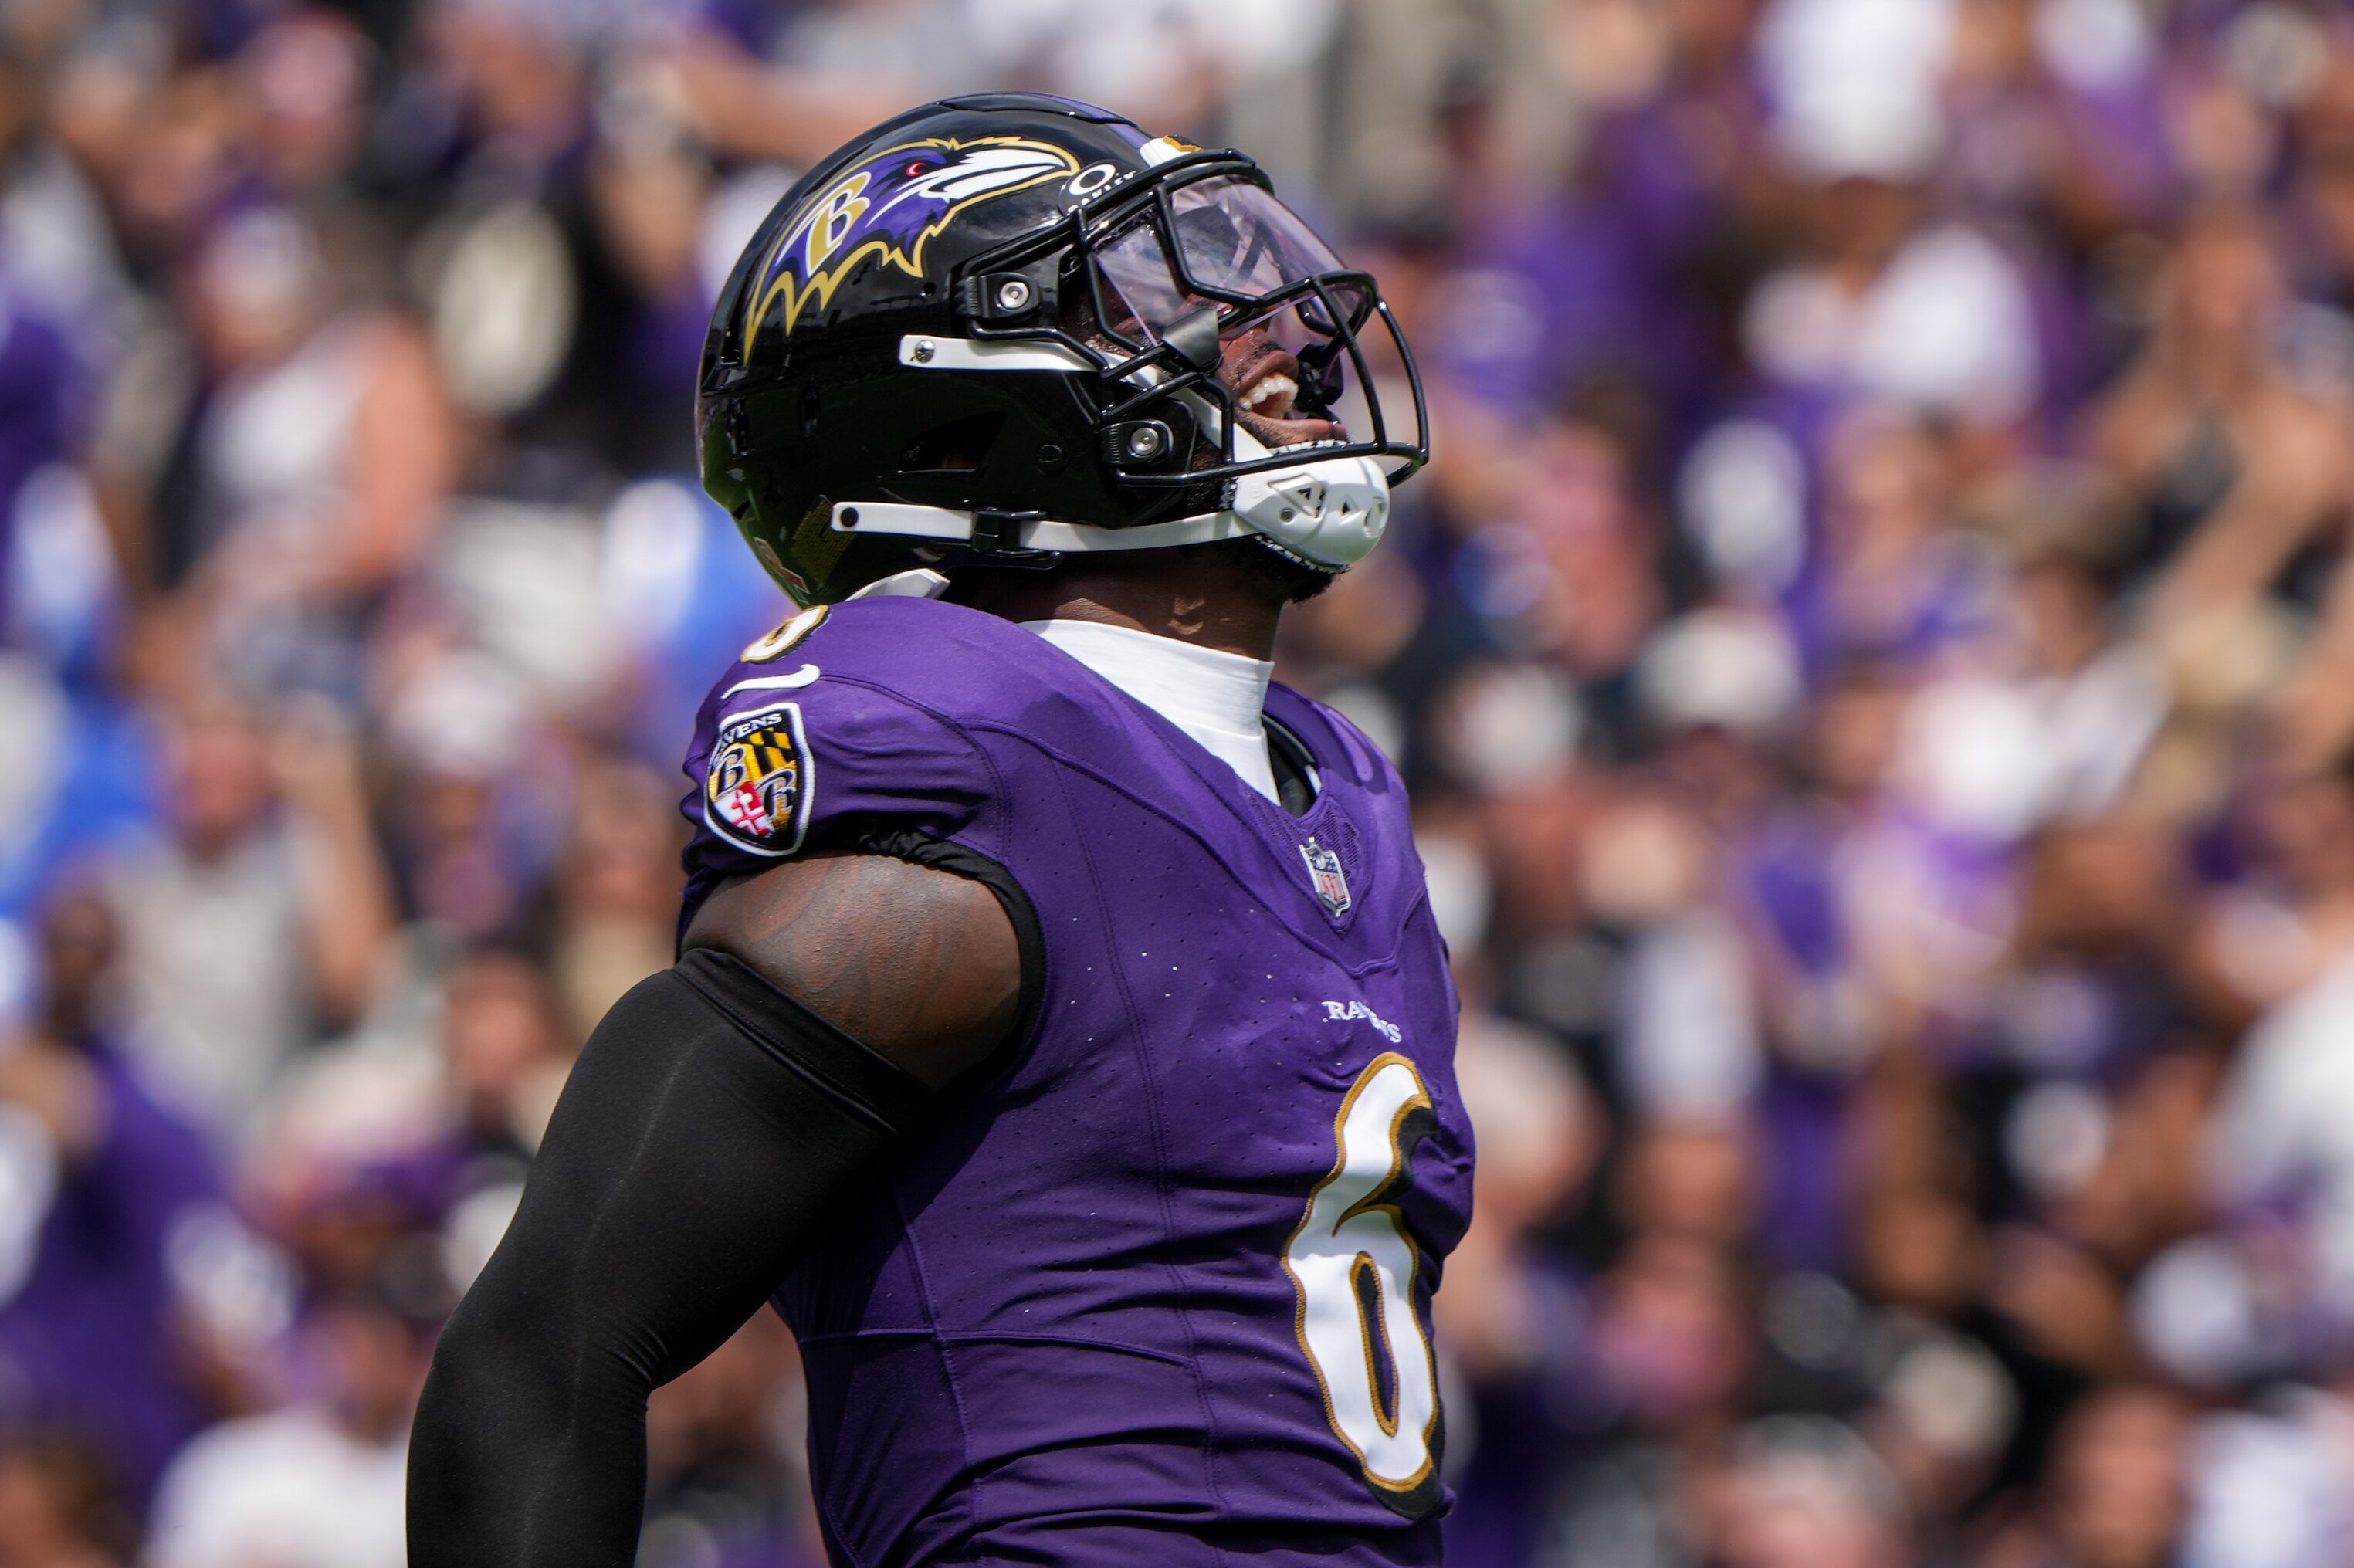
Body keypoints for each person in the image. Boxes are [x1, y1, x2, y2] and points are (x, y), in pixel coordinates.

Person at [407, 93, 1469, 1566]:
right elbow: (543, 1347)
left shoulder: (1339, 796)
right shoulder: (978, 764)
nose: (1276, 334)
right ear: (967, 413)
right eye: (1159, 291)